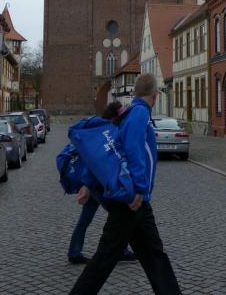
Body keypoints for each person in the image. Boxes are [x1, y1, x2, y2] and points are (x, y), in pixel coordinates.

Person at [70, 73, 182, 295]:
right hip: (131, 200)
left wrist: (88, 183)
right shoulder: (139, 114)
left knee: (154, 255)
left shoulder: (131, 112)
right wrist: (139, 189)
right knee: (106, 257)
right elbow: (133, 151)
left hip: (136, 200)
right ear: (155, 94)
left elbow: (111, 151)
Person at [68, 102, 136, 265]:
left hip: (93, 183)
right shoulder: (106, 132)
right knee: (118, 215)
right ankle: (119, 250)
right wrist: (87, 185)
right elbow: (97, 159)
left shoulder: (99, 130)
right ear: (115, 117)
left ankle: (74, 251)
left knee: (86, 218)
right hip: (98, 184)